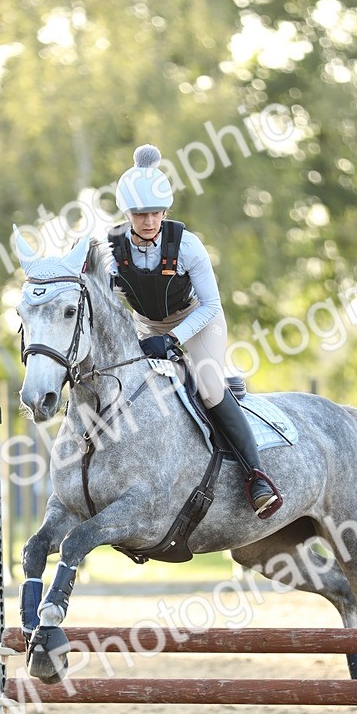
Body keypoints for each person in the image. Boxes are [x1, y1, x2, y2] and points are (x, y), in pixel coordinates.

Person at [107, 143, 279, 517]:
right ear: (127, 214)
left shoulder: (188, 246)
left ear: (165, 211)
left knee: (210, 387)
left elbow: (213, 306)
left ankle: (257, 478)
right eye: (139, 214)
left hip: (198, 320)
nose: (148, 221)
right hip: (145, 326)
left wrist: (172, 339)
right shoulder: (110, 251)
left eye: (154, 213)